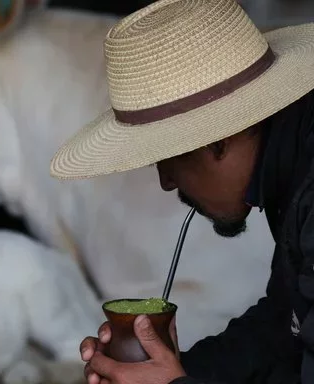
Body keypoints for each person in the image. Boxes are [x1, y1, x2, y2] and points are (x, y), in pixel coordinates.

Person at [48, 0, 314, 383]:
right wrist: (175, 370)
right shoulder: (292, 161)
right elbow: (285, 325)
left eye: (168, 159)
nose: (167, 182)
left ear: (217, 141)